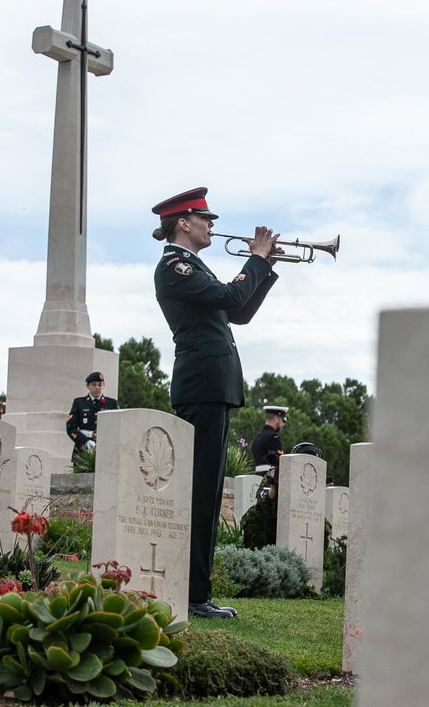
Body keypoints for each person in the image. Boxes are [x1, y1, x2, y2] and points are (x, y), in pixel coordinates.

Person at [151, 186, 282, 619]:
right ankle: (193, 596)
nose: (212, 225)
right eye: (205, 219)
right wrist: (257, 259)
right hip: (203, 383)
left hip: (214, 384)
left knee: (206, 494)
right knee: (201, 494)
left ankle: (196, 593)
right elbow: (229, 297)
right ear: (183, 223)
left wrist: (265, 268)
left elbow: (237, 312)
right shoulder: (175, 265)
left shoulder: (193, 264)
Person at [65, 372, 119, 464]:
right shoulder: (79, 403)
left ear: (104, 386)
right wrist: (85, 442)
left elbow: (117, 427)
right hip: (83, 450)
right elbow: (71, 428)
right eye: (94, 385)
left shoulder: (112, 403)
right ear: (88, 386)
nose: (97, 387)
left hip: (105, 450)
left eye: (100, 384)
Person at [251, 405, 289, 499]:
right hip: (271, 483)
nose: (283, 424)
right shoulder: (274, 438)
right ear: (276, 419)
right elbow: (279, 463)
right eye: (282, 420)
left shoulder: (257, 438)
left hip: (257, 481)